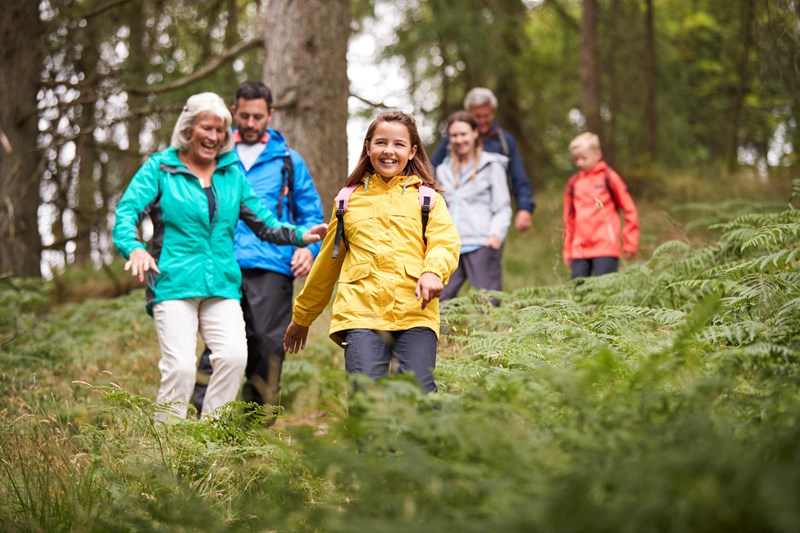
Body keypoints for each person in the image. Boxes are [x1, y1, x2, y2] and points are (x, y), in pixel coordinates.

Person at [112, 92, 327, 421]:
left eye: (219, 131)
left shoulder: (231, 175)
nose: (213, 137)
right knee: (181, 368)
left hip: (222, 285)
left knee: (233, 357)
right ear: (188, 129)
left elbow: (265, 223)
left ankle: (209, 438)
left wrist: (301, 235)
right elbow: (126, 214)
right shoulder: (160, 167)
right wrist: (135, 247)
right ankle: (166, 448)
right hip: (174, 282)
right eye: (206, 128)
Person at [283, 111, 460, 393]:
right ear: (368, 147)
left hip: (415, 313)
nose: (389, 151)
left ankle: (423, 439)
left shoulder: (428, 199)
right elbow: (327, 264)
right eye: (381, 142)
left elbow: (444, 242)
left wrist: (432, 272)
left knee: (418, 395)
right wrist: (302, 317)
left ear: (412, 151)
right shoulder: (347, 201)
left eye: (399, 144)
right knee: (365, 396)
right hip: (361, 314)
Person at [192, 81, 324, 416]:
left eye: (258, 117)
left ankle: (253, 429)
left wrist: (310, 250)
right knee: (220, 347)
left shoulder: (289, 161)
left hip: (273, 265)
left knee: (267, 345)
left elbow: (312, 217)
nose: (250, 123)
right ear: (233, 111)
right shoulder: (215, 156)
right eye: (245, 115)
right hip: (223, 264)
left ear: (271, 115)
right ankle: (198, 423)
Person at [430, 87, 535, 232]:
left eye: (487, 116)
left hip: (494, 217)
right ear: (468, 113)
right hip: (458, 219)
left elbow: (519, 178)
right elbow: (430, 169)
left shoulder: (504, 142)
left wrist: (524, 208)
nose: (482, 121)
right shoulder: (453, 140)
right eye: (477, 116)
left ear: (493, 112)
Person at [436, 111, 511, 302]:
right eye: (454, 135)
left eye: (463, 134)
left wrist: (496, 234)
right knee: (439, 300)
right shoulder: (443, 170)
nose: (459, 139)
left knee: (487, 303)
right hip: (450, 245)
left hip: (482, 243)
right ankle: (440, 333)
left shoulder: (491, 165)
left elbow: (502, 206)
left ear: (475, 133)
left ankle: (493, 333)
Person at [562, 132, 639, 279]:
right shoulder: (573, 183)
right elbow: (568, 219)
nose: (579, 163)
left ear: (597, 154)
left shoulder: (609, 177)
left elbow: (630, 209)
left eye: (583, 158)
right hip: (579, 249)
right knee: (578, 294)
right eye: (576, 159)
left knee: (605, 294)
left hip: (605, 247)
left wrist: (630, 243)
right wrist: (567, 250)